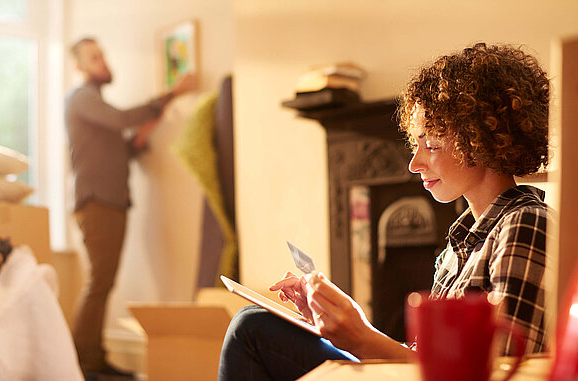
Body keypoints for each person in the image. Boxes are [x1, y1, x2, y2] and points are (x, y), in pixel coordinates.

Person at [218, 42, 550, 381]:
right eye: (415, 144)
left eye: (432, 145)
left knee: (252, 330)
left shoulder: (526, 223)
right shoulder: (460, 241)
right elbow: (420, 364)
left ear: (483, 140)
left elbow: (503, 373)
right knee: (254, 323)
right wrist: (343, 325)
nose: (414, 163)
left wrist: (361, 337)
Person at [65, 37, 194, 379]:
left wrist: (147, 129)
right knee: (99, 282)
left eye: (102, 55)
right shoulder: (81, 98)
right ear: (79, 67)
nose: (102, 61)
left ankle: (92, 359)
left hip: (110, 201)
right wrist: (172, 94)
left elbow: (124, 146)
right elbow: (121, 119)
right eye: (94, 58)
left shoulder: (94, 107)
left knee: (103, 282)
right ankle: (84, 364)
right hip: (97, 202)